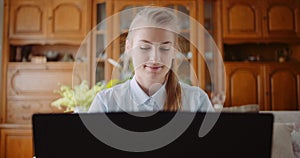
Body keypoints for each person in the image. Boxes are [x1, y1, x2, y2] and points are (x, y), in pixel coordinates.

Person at [88, 7, 214, 113]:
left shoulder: (197, 101)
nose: (155, 58)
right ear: (128, 47)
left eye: (164, 48)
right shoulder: (105, 103)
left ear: (174, 50)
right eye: (144, 47)